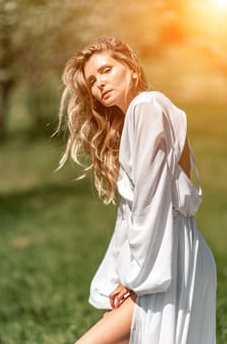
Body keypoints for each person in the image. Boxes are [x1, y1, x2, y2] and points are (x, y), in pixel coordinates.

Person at [58, 36, 216, 344]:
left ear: (131, 68)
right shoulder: (140, 112)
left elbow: (149, 203)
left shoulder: (147, 106)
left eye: (106, 70)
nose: (99, 83)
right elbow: (130, 214)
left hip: (168, 259)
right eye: (92, 80)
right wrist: (119, 276)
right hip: (168, 254)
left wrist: (135, 278)